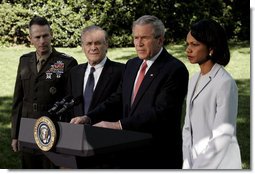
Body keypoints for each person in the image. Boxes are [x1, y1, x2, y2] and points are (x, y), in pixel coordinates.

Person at [71, 15, 189, 169]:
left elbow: (162, 113)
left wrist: (118, 125)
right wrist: (89, 117)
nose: (138, 43)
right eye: (136, 38)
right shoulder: (132, 65)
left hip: (157, 156)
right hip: (128, 154)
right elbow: (118, 99)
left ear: (160, 40)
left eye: (144, 38)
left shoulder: (175, 69)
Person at [11, 16, 78, 169]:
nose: (42, 41)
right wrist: (15, 134)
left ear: (51, 34)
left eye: (45, 35)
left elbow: (71, 103)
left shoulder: (66, 63)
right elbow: (18, 100)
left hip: (52, 129)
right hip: (27, 128)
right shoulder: (24, 61)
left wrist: (68, 140)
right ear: (30, 39)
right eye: (37, 37)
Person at [182, 19, 242, 169]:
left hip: (218, 165)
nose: (188, 50)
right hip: (193, 162)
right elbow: (187, 127)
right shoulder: (194, 79)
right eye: (188, 44)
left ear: (211, 48)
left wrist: (198, 168)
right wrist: (187, 163)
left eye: (195, 45)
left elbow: (222, 137)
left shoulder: (225, 83)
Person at [67, 25, 124, 168]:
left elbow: (117, 102)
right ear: (82, 46)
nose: (93, 48)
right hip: (77, 145)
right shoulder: (74, 72)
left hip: (107, 145)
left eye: (98, 43)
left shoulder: (121, 71)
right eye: (89, 43)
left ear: (106, 45)